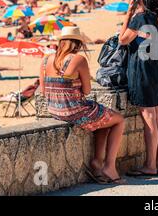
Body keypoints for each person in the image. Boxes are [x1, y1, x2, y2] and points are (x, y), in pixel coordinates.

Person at [40, 26, 126, 184]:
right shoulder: (78, 59)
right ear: (78, 44)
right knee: (119, 119)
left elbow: (44, 91)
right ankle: (109, 167)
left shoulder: (46, 60)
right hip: (74, 111)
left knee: (104, 121)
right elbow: (86, 90)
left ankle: (97, 162)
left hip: (54, 110)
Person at [119, 0, 158, 177]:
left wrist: (128, 14)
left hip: (143, 68)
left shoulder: (140, 17)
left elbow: (123, 39)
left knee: (148, 117)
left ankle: (150, 165)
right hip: (157, 66)